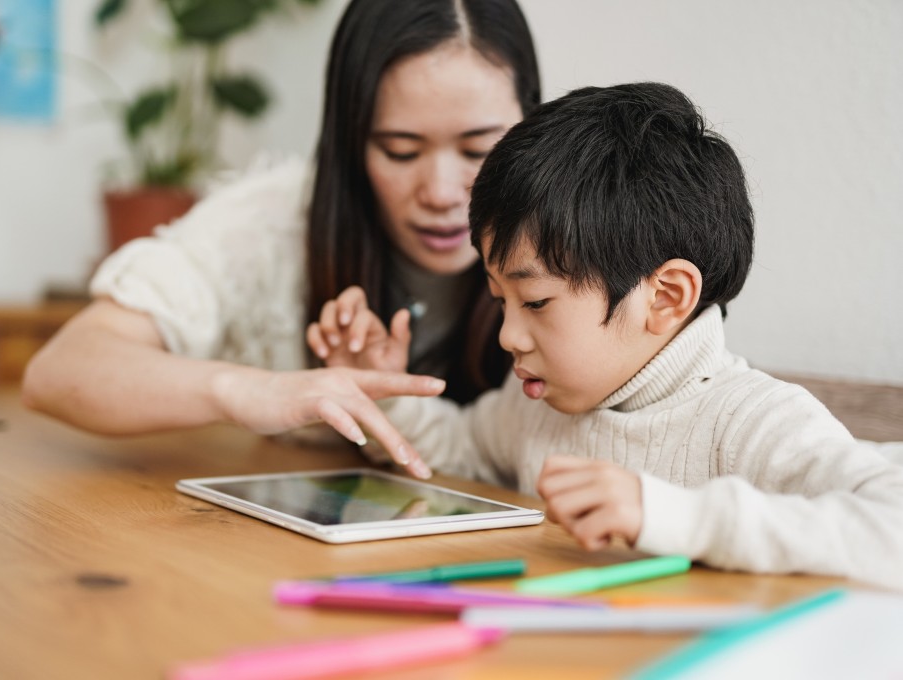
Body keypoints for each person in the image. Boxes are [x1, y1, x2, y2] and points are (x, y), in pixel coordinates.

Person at [309, 82, 903, 590]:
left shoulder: (747, 420)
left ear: (666, 297)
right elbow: (459, 453)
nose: (510, 335)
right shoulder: (536, 407)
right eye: (500, 301)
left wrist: (678, 517)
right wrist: (380, 394)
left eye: (536, 301)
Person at [22, 0, 541, 479]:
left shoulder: (569, 231)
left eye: (479, 149)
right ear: (349, 144)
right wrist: (249, 389)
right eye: (401, 151)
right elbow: (59, 372)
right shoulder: (266, 223)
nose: (441, 193)